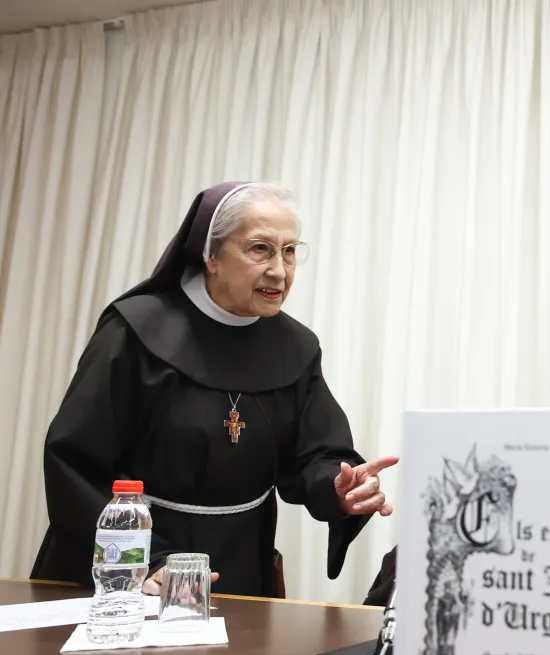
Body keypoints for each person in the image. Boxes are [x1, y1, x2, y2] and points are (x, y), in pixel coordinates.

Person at [31, 181, 398, 598]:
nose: (279, 270)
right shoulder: (135, 333)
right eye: (260, 248)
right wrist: (142, 563)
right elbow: (74, 462)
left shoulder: (296, 348)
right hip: (132, 568)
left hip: (239, 567)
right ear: (210, 256)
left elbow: (314, 455)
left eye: (290, 250)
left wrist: (339, 486)